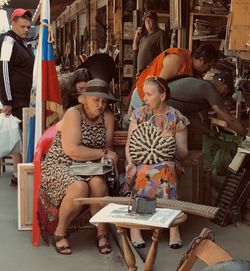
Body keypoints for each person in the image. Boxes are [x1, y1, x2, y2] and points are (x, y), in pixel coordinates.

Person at [38, 78, 119, 255]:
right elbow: (72, 150)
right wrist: (103, 153)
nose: (101, 104)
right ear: (83, 99)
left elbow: (108, 146)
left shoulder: (107, 117)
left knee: (98, 184)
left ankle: (101, 232)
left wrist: (106, 154)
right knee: (79, 187)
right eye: (96, 99)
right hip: (61, 163)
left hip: (90, 166)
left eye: (104, 100)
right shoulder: (73, 113)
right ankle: (60, 231)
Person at [125, 76, 189, 249]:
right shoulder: (139, 114)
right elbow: (130, 144)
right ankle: (136, 228)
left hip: (169, 163)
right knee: (144, 170)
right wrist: (130, 163)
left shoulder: (175, 117)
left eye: (148, 94)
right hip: (141, 162)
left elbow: (183, 154)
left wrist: (172, 142)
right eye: (144, 94)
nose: (144, 98)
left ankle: (172, 227)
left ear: (162, 96)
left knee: (165, 169)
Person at [129, 44, 219, 111]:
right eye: (208, 66)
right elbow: (156, 88)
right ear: (201, 60)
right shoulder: (176, 60)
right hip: (143, 96)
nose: (208, 70)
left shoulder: (193, 68)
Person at [0, 8, 34, 186]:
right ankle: (20, 174)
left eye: (28, 27)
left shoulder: (22, 42)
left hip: (25, 98)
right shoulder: (8, 42)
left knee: (21, 137)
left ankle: (18, 174)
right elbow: (3, 70)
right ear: (13, 23)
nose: (26, 30)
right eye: (23, 26)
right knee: (22, 137)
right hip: (17, 100)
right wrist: (7, 101)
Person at [167, 71, 247, 139]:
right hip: (164, 111)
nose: (224, 97)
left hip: (164, 109)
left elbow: (190, 117)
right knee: (176, 146)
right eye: (227, 94)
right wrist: (245, 135)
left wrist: (208, 131)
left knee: (176, 146)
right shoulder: (208, 89)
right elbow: (229, 119)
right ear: (225, 88)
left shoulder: (201, 87)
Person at [132, 11, 170, 75]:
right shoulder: (143, 36)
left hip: (151, 72)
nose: (147, 22)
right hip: (140, 72)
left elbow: (164, 55)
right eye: (146, 20)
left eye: (149, 20)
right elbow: (135, 49)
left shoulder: (161, 34)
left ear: (155, 21)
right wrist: (136, 37)